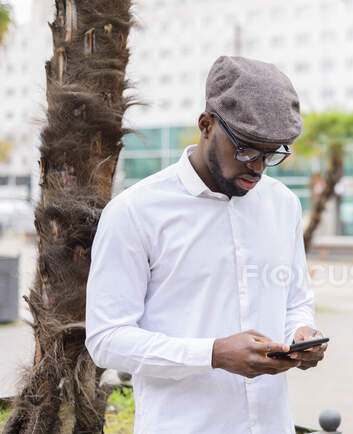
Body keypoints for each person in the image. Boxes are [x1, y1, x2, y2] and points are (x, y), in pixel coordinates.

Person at [85, 56, 327, 434]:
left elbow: (296, 300)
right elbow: (106, 340)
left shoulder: (283, 205)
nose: (258, 167)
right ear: (206, 125)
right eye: (246, 150)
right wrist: (212, 354)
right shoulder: (135, 212)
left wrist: (302, 334)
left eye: (273, 153)